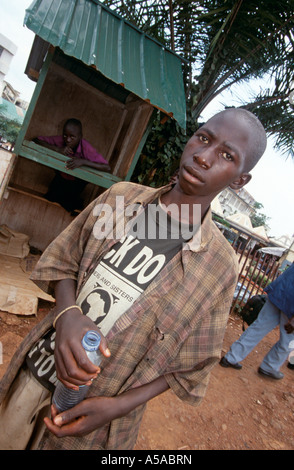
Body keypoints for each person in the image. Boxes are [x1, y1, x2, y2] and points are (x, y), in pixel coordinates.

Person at [0, 108, 267, 450]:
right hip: (37, 373)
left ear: (239, 179)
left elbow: (191, 365)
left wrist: (117, 407)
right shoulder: (120, 199)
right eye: (203, 138)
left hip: (96, 422)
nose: (203, 157)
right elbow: (64, 261)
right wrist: (67, 314)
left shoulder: (218, 266)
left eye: (227, 155)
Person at [220, 264, 294, 379]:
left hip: (279, 292)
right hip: (290, 305)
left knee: (258, 327)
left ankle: (231, 357)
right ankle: (269, 367)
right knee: (288, 341)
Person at [34, 118, 111, 213]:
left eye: (72, 137)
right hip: (60, 180)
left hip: (75, 185)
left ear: (80, 136)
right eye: (65, 135)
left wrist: (83, 162)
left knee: (70, 207)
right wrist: (57, 149)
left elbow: (107, 167)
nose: (68, 139)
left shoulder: (85, 147)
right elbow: (36, 140)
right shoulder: (61, 140)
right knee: (49, 199)